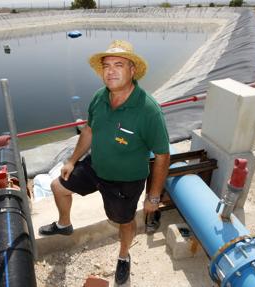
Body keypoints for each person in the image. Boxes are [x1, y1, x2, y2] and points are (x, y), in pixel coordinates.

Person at [38, 40, 171, 285]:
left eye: (119, 65)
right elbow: (88, 130)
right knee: (58, 186)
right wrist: (71, 160)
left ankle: (123, 256)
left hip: (125, 181)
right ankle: (64, 223)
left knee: (124, 221)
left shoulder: (148, 110)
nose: (110, 71)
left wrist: (153, 196)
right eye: (106, 66)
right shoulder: (100, 97)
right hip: (95, 166)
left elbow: (162, 155)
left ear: (133, 71)